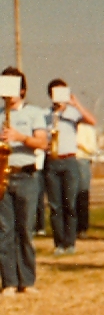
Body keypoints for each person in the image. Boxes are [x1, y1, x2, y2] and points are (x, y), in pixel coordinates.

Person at [0, 67, 48, 295]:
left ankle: (27, 281)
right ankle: (9, 282)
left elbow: (43, 143)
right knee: (4, 231)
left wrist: (19, 137)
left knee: (25, 231)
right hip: (3, 176)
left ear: (22, 89)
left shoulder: (35, 113)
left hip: (26, 174)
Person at [44, 79, 96, 255]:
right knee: (55, 205)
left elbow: (92, 121)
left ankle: (70, 241)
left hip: (70, 160)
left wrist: (75, 104)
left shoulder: (72, 113)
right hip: (52, 160)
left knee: (70, 203)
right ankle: (59, 243)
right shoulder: (45, 115)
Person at [75, 122, 97, 239]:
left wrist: (80, 144)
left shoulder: (87, 128)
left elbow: (93, 148)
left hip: (82, 159)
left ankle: (82, 227)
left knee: (82, 194)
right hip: (67, 160)